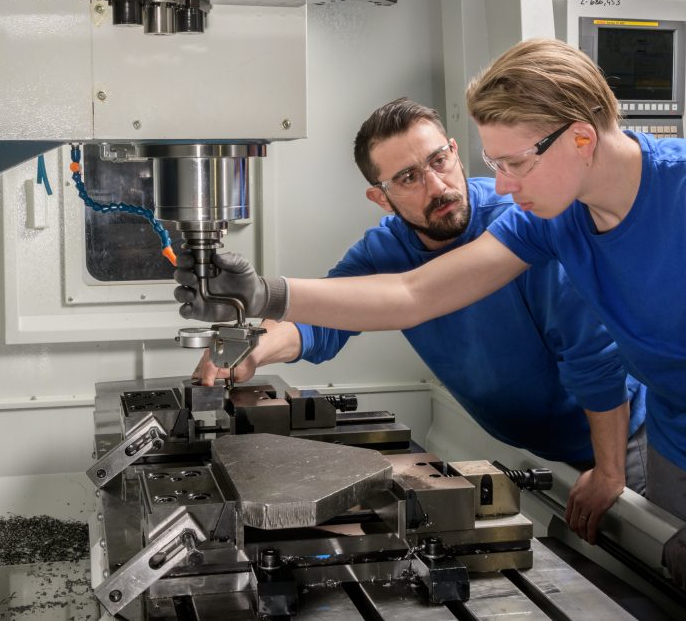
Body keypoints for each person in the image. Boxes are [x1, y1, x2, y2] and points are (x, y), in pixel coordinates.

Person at [175, 40, 686, 596]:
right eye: (491, 162)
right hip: (679, 443)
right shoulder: (553, 213)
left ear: (580, 140)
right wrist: (263, 295)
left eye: (513, 163)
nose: (500, 185)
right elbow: (413, 294)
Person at [181, 98, 648, 544]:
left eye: (439, 160)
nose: (438, 187)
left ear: (456, 152)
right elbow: (320, 321)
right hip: (554, 451)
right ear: (380, 197)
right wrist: (252, 351)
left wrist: (610, 469)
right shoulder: (385, 251)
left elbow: (593, 356)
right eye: (408, 178)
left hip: (628, 438)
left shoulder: (521, 225)